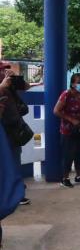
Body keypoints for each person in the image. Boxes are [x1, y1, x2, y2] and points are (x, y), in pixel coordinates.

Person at [53, 73, 80, 188]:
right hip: (68, 130)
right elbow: (56, 111)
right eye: (79, 82)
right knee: (68, 155)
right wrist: (71, 120)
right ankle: (65, 178)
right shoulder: (66, 95)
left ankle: (79, 176)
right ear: (73, 84)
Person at [0, 63, 31, 204]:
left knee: (15, 158)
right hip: (3, 126)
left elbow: (26, 86)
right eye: (2, 69)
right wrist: (2, 86)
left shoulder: (9, 82)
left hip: (13, 125)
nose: (4, 71)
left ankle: (17, 191)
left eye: (5, 69)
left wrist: (15, 79)